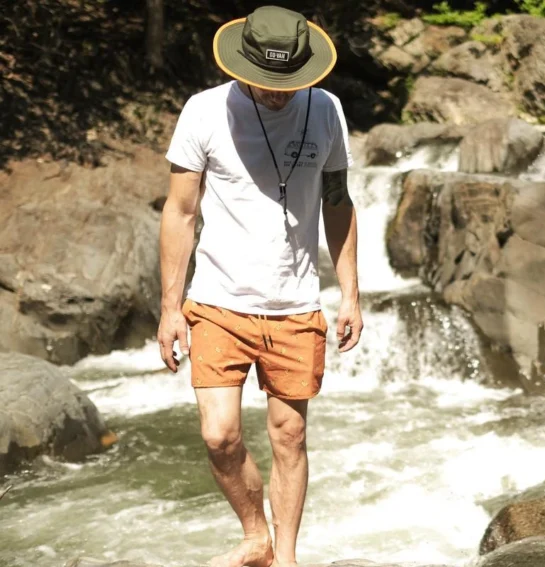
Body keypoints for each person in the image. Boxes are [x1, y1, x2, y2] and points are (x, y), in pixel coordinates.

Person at [156, 6, 362, 567]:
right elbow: (180, 211)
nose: (279, 93)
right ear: (242, 65)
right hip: (218, 301)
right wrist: (169, 308)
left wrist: (351, 293)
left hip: (295, 304)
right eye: (268, 83)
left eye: (289, 83)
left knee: (289, 435)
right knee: (219, 436)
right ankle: (255, 535)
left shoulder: (327, 110)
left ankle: (286, 557)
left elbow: (338, 203)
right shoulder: (203, 111)